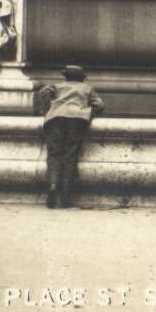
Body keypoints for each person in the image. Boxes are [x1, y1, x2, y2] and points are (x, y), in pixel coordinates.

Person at [39, 63, 104, 208]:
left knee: (54, 155)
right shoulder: (87, 89)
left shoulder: (57, 86)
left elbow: (43, 93)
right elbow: (100, 105)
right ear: (81, 78)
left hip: (55, 119)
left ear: (66, 77)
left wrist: (47, 109)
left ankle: (53, 185)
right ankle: (65, 198)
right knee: (70, 157)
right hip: (77, 120)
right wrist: (89, 113)